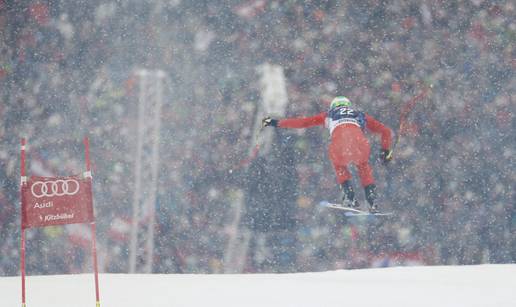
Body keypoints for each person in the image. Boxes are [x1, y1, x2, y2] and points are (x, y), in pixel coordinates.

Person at [262, 96, 393, 213]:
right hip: (360, 143)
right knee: (364, 167)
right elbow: (385, 131)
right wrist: (385, 151)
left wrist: (274, 122)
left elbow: (302, 123)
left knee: (339, 165)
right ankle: (373, 202)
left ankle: (350, 198)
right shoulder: (360, 115)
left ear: (334, 106)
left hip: (340, 143)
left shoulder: (329, 115)